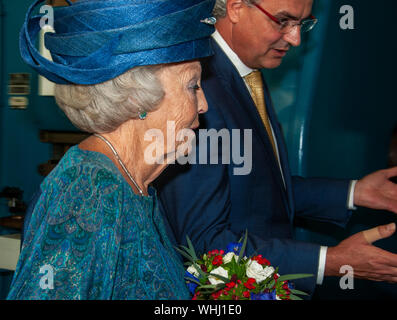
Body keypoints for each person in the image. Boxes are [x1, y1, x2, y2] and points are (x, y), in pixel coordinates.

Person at [155, 0, 397, 295]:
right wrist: (327, 261)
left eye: (303, 23)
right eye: (283, 21)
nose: (295, 38)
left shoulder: (243, 71)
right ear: (235, 7)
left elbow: (256, 191)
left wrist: (354, 192)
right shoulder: (201, 89)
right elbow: (205, 246)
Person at [7, 0, 216, 300]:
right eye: (192, 85)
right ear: (137, 99)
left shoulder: (134, 185)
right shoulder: (88, 194)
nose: (204, 104)